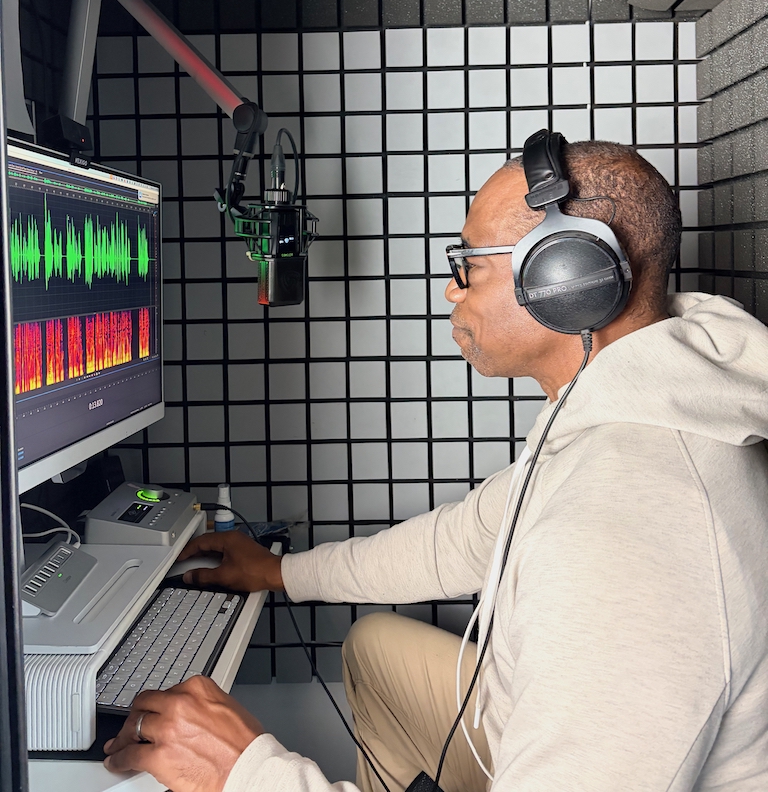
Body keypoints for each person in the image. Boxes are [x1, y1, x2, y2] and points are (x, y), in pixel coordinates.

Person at [103, 139, 768, 792]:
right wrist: (280, 573)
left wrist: (244, 775)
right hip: (547, 734)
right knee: (375, 650)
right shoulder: (630, 402)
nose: (452, 291)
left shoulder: (627, 529)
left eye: (468, 265)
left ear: (567, 278)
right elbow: (460, 540)